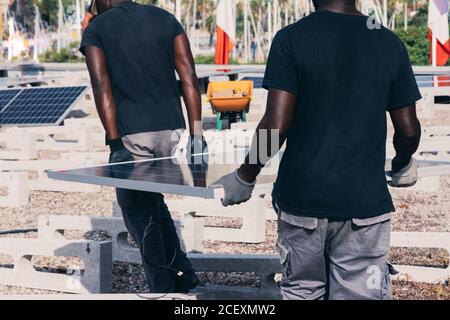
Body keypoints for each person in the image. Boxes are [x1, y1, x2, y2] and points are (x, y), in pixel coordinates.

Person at [216, 0, 422, 300]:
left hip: (302, 202)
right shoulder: (388, 41)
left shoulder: (291, 38)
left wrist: (246, 175)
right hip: (365, 205)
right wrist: (403, 162)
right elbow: (409, 129)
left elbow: (275, 124)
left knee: (302, 293)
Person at [80, 0, 206, 293]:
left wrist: (114, 143)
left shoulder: (96, 28)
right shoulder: (165, 19)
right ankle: (183, 273)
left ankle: (160, 286)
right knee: (152, 202)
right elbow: (188, 76)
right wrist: (197, 134)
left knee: (136, 208)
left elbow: (101, 85)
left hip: (133, 135)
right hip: (172, 132)